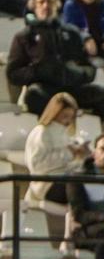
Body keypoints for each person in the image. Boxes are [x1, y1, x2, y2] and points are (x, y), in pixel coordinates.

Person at [6, 0, 104, 118]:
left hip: (73, 88)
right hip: (46, 89)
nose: (46, 6)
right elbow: (13, 73)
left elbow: (90, 69)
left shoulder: (71, 32)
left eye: (50, 1)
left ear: (57, 4)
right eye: (41, 2)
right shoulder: (24, 36)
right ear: (34, 6)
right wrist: (38, 71)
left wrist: (79, 72)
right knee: (33, 95)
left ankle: (81, 123)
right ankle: (57, 118)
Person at [24, 92, 87, 227]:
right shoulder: (42, 132)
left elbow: (67, 164)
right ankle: (79, 221)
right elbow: (37, 164)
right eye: (65, 116)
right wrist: (69, 152)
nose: (68, 121)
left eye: (71, 117)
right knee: (78, 186)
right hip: (46, 183)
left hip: (63, 177)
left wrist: (81, 157)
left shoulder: (66, 133)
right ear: (55, 113)